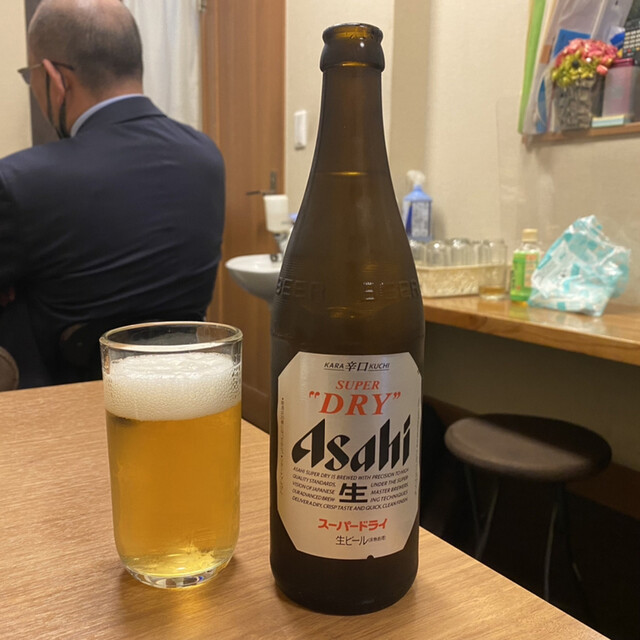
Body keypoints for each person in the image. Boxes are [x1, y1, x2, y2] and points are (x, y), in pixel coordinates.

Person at [0, 0, 225, 387]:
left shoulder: (19, 180)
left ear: (55, 78)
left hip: (58, 404)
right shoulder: (206, 157)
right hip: (181, 392)